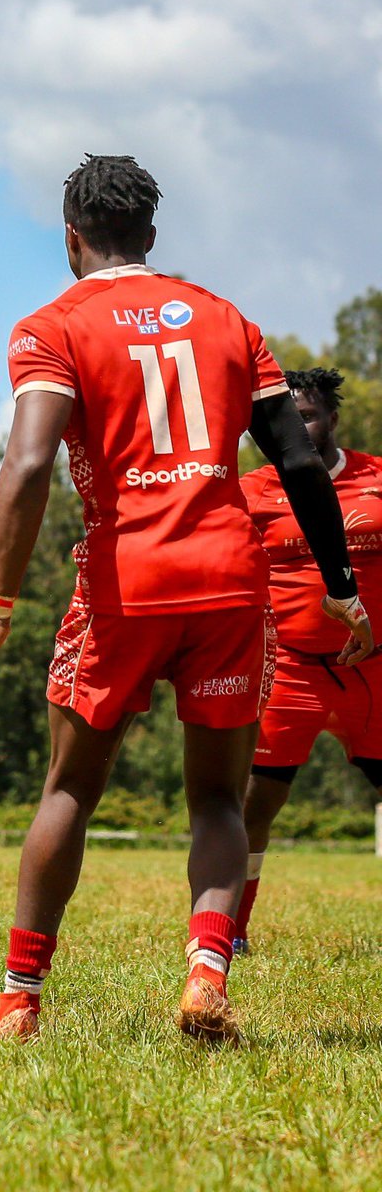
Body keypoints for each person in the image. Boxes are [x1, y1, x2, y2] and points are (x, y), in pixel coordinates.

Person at [0, 155, 373, 1042]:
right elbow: (298, 462)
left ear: (72, 237)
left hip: (124, 583)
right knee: (219, 800)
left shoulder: (52, 326)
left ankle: (19, 1002)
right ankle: (206, 973)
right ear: (151, 234)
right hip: (229, 580)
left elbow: (27, 465)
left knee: (69, 789)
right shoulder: (227, 319)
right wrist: (341, 588)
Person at [234, 367, 382, 954]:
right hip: (289, 669)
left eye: (311, 415)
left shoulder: (377, 478)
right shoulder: (250, 491)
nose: (300, 426)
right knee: (253, 804)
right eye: (288, 418)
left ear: (334, 419)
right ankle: (232, 931)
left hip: (374, 671)